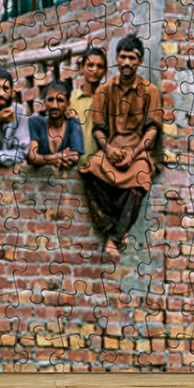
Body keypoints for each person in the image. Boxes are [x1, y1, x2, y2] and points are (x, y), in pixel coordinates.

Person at [79, 34, 163, 259]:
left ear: (140, 61)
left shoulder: (150, 91)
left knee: (141, 178)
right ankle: (110, 225)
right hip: (112, 151)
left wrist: (134, 153)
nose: (127, 62)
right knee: (90, 168)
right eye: (123, 57)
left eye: (132, 58)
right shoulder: (104, 90)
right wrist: (108, 149)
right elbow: (98, 129)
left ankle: (114, 239)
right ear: (116, 58)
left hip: (139, 153)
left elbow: (152, 130)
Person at [27, 80, 84, 172]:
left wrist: (64, 158)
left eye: (60, 100)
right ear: (44, 103)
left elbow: (75, 155)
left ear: (68, 104)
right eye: (50, 100)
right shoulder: (35, 122)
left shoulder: (73, 122)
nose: (54, 105)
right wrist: (55, 158)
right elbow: (32, 157)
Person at [69, 46, 107, 161]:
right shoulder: (71, 99)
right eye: (90, 65)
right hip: (75, 165)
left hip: (101, 164)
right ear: (82, 67)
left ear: (105, 70)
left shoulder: (108, 99)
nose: (95, 70)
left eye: (100, 66)